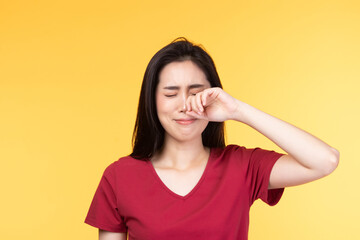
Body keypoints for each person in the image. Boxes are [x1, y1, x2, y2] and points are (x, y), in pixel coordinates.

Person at [84, 37, 339, 240]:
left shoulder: (241, 166)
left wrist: (237, 110)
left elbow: (324, 160)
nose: (185, 105)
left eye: (197, 93)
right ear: (152, 100)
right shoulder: (119, 177)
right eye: (171, 94)